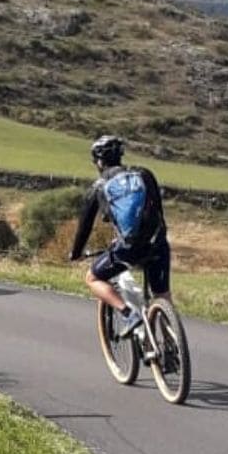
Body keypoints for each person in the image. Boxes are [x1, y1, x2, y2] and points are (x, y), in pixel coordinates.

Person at [69, 135, 171, 352]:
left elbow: (84, 227)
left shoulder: (99, 187)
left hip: (129, 249)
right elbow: (159, 212)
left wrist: (75, 253)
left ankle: (128, 314)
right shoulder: (144, 174)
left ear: (98, 162)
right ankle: (172, 346)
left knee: (93, 277)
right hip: (157, 242)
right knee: (162, 294)